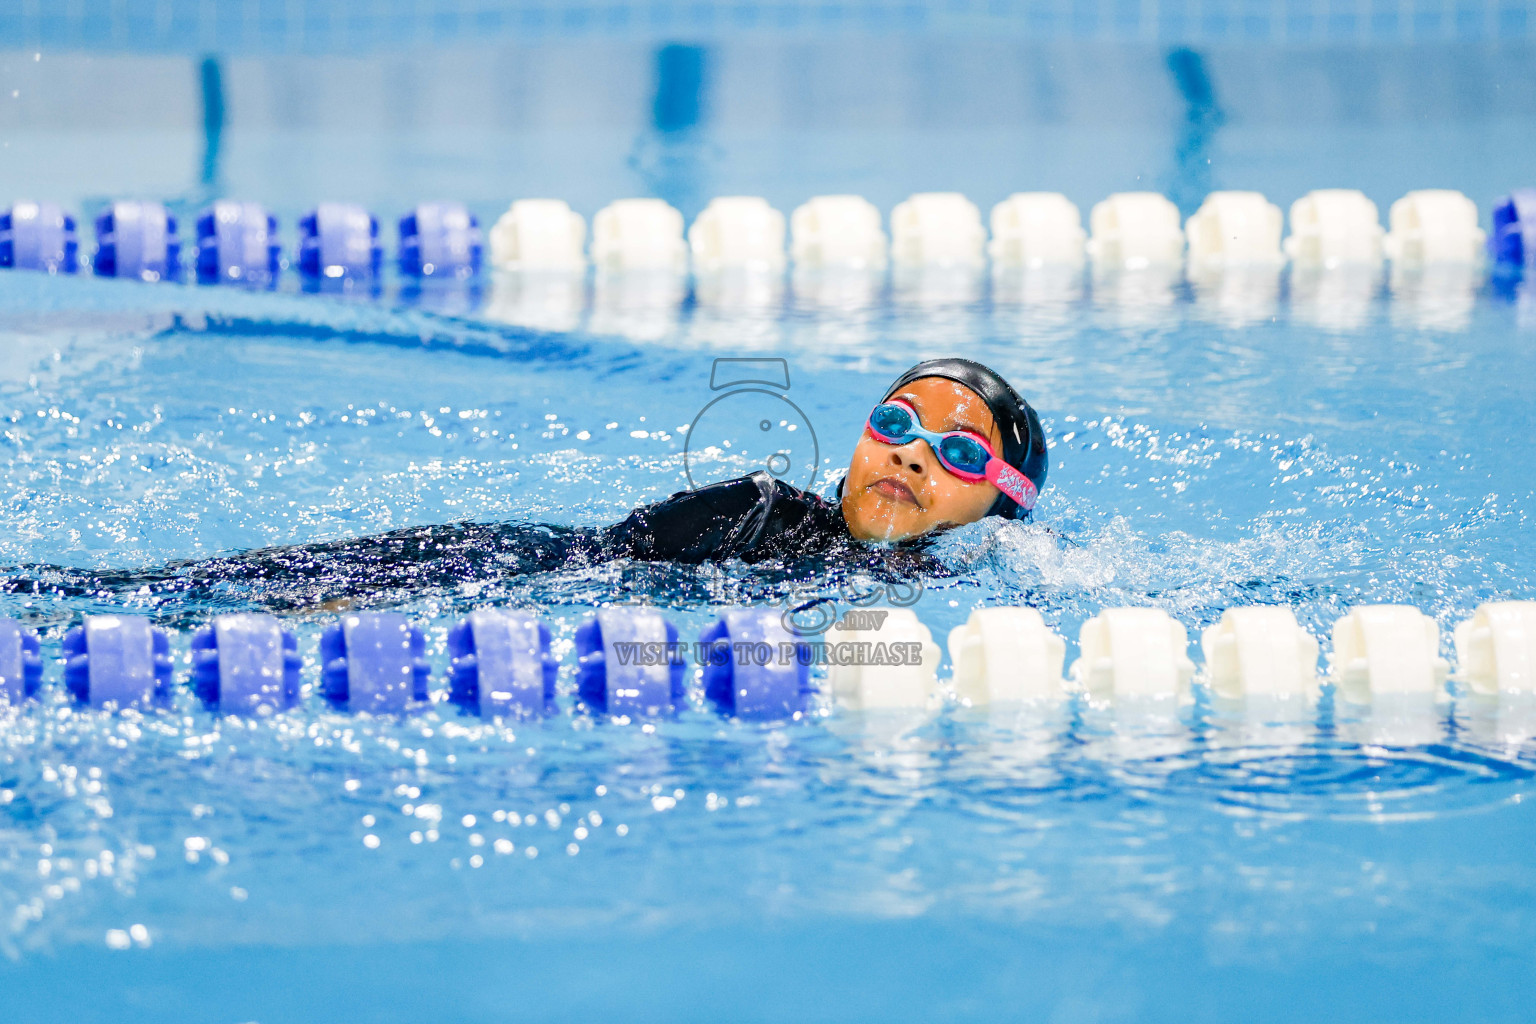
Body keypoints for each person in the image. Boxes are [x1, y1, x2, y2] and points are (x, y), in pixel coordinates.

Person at [2, 358, 1048, 619]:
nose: (912, 455)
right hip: (500, 565)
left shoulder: (941, 575)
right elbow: (611, 564)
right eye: (897, 425)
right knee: (176, 593)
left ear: (997, 500)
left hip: (527, 574)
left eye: (957, 453)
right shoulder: (770, 508)